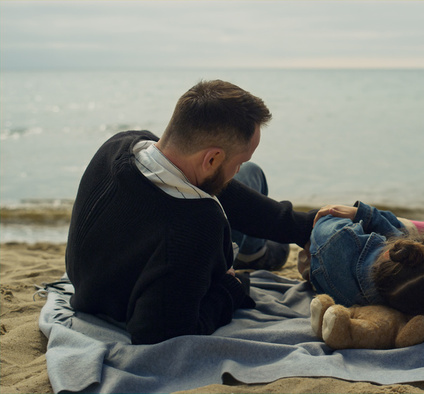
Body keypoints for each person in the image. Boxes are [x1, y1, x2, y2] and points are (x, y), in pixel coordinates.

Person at [65, 80, 318, 344]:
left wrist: (302, 226)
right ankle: (256, 255)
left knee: (250, 176)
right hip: (133, 289)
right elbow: (161, 333)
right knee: (276, 247)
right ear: (211, 159)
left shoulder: (122, 144)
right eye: (240, 161)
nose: (239, 170)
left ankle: (257, 249)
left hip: (93, 278)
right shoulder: (195, 227)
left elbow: (220, 187)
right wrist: (232, 288)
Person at [301, 201, 424, 326]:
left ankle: (409, 226)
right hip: (319, 274)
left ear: (390, 252)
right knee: (400, 230)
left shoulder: (343, 238)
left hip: (317, 253)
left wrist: (363, 214)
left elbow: (326, 217)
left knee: (413, 229)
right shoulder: (403, 304)